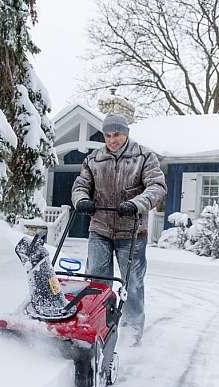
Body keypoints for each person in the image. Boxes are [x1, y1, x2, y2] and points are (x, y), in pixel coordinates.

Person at [71, 113, 167, 344]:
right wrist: (81, 199)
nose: (112, 140)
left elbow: (157, 187)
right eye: (108, 135)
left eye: (117, 134)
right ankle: (99, 326)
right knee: (97, 281)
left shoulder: (144, 156)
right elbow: (80, 185)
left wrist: (135, 204)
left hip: (132, 231)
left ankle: (132, 333)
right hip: (100, 229)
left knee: (132, 283)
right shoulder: (94, 159)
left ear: (126, 133)